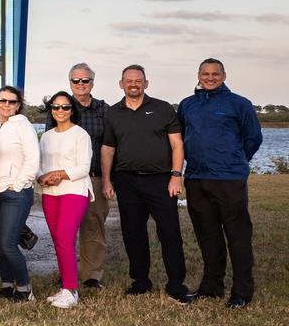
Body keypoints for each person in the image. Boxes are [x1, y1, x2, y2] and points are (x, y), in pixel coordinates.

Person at [101, 65, 191, 304]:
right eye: (128, 80)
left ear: (146, 83)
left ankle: (176, 285)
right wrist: (107, 180)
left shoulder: (162, 108)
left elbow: (177, 144)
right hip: (126, 180)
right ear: (121, 84)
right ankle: (140, 281)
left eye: (138, 80)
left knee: (170, 232)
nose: (133, 84)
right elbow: (108, 149)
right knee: (133, 233)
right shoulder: (113, 113)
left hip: (161, 181)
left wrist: (176, 175)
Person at [178, 58, 262, 308]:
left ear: (224, 76)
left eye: (215, 73)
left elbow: (253, 138)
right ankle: (211, 287)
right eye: (205, 73)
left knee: (237, 235)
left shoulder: (239, 103)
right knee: (207, 235)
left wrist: (234, 160)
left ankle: (242, 292)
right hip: (196, 178)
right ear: (198, 75)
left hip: (229, 178)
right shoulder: (187, 105)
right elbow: (182, 138)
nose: (210, 77)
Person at [45, 63, 111, 290]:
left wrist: (109, 179)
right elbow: (48, 144)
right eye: (76, 81)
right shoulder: (59, 107)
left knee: (93, 226)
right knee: (64, 232)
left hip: (93, 176)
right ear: (70, 82)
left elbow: (111, 145)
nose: (80, 84)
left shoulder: (104, 110)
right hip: (59, 182)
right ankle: (67, 272)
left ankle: (91, 275)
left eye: (85, 80)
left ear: (92, 82)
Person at [38, 91, 94, 309]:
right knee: (57, 240)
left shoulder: (81, 134)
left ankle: (71, 291)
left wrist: (59, 174)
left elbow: (83, 168)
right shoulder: (47, 136)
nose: (60, 111)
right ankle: (65, 288)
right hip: (50, 193)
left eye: (65, 107)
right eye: (56, 107)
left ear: (72, 110)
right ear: (51, 109)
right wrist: (43, 177)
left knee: (64, 237)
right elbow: (40, 164)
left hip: (75, 189)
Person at [0, 85, 40, 303]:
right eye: (3, 100)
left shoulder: (23, 125)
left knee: (8, 243)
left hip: (15, 193)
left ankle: (25, 290)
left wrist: (17, 185)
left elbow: (33, 159)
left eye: (12, 102)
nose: (6, 105)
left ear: (18, 105)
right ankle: (8, 285)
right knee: (0, 241)